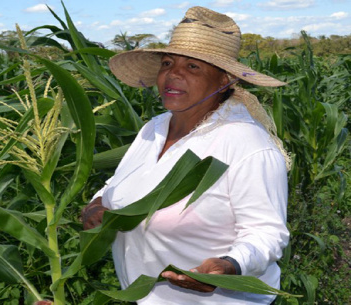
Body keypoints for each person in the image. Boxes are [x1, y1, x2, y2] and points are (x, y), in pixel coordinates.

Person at [82, 6, 290, 305]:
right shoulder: (153, 128)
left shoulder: (246, 143)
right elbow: (123, 180)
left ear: (224, 81)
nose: (173, 74)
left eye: (193, 66)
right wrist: (97, 203)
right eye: (167, 63)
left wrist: (229, 266)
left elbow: (267, 233)